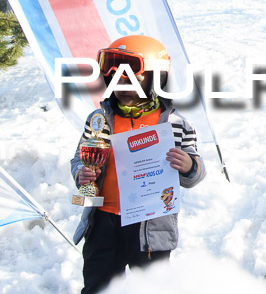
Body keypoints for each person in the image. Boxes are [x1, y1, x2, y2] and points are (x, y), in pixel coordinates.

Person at [71, 35, 206, 293]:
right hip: (102, 222)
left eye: (131, 78)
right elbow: (79, 157)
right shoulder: (99, 120)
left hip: (150, 228)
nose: (121, 84)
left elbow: (195, 171)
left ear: (156, 78)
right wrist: (82, 173)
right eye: (115, 78)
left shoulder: (176, 124)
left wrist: (189, 165)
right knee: (97, 287)